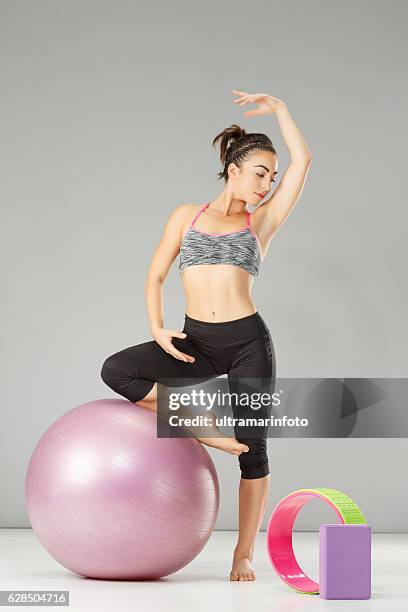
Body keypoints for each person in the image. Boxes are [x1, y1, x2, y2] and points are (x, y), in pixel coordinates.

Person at [100, 90, 312, 581]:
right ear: (233, 169)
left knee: (253, 448)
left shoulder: (260, 222)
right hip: (195, 342)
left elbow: (304, 160)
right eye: (260, 173)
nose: (267, 184)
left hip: (247, 345)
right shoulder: (186, 216)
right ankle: (198, 427)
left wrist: (280, 111)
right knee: (117, 370)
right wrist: (156, 327)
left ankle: (243, 554)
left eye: (272, 178)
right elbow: (154, 276)